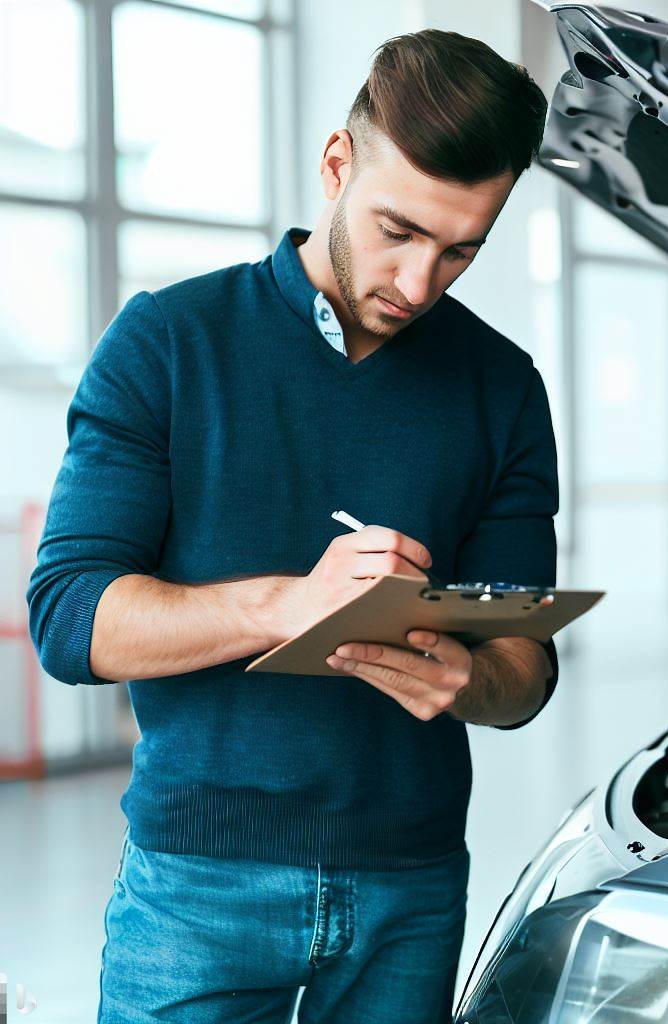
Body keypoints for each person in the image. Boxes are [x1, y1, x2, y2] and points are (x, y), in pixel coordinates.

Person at [26, 28, 558, 1024]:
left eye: (460, 250)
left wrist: (470, 675)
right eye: (397, 230)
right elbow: (70, 618)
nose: (416, 282)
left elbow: (521, 666)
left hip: (412, 886)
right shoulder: (169, 343)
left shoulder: (502, 388)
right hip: (197, 885)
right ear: (334, 163)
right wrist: (287, 605)